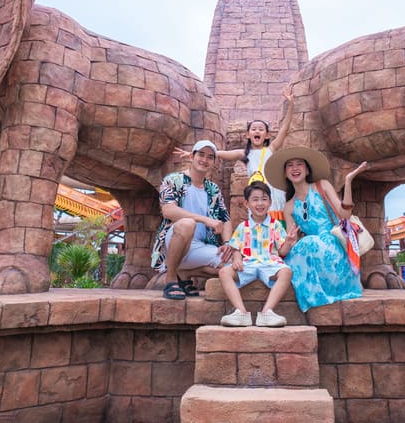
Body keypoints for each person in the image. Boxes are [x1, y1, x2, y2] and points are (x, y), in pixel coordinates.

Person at [265, 147, 367, 312]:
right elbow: (293, 240)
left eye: (299, 164)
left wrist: (348, 182)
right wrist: (288, 242)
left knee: (308, 243)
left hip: (333, 244)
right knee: (299, 249)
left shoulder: (322, 186)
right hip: (311, 249)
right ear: (285, 173)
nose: (295, 168)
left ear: (307, 170)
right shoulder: (289, 206)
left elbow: (345, 215)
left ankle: (328, 289)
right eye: (290, 165)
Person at [176, 87, 294, 220]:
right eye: (254, 129)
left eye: (261, 129)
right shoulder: (244, 153)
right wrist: (193, 153)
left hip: (273, 193)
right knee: (258, 222)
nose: (257, 131)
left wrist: (291, 105)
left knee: (275, 223)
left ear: (267, 135)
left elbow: (284, 129)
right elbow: (217, 153)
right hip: (256, 192)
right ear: (248, 135)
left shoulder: (271, 149)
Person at [153, 140, 233, 300]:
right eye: (201, 155)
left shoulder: (213, 189)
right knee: (187, 224)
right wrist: (205, 220)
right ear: (192, 156)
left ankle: (185, 272)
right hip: (174, 243)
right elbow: (168, 210)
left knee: (235, 266)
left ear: (214, 162)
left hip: (199, 247)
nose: (205, 159)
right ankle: (171, 279)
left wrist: (227, 243)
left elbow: (225, 219)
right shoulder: (173, 180)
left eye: (210, 157)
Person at [218, 181, 296, 327]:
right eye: (255, 199)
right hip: (248, 264)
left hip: (270, 263)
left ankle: (267, 312)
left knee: (286, 272)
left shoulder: (276, 225)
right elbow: (236, 247)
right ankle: (241, 312)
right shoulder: (243, 227)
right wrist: (237, 258)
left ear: (270, 202)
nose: (260, 203)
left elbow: (282, 251)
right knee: (224, 272)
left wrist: (288, 242)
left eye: (264, 199)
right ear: (247, 204)